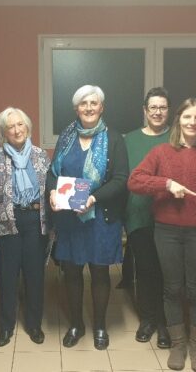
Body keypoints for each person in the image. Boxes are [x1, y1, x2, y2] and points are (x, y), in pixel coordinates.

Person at [128, 98, 196, 372]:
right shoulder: (162, 152)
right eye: (187, 117)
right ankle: (178, 344)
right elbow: (135, 180)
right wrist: (166, 183)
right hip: (166, 232)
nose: (192, 122)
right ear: (179, 121)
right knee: (172, 289)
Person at [47, 85, 129, 351]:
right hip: (69, 219)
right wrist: (51, 192)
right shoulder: (66, 137)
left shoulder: (114, 138)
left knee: (99, 273)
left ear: (101, 107)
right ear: (76, 109)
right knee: (71, 272)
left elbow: (120, 180)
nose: (89, 108)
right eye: (84, 104)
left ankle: (100, 326)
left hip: (100, 218)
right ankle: (76, 324)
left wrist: (94, 198)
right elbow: (53, 172)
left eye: (94, 103)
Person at [0, 107, 50, 347]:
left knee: (35, 277)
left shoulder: (40, 156)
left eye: (21, 125)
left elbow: (51, 191)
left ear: (27, 127)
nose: (17, 130)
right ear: (4, 132)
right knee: (6, 278)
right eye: (11, 127)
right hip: (5, 226)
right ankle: (6, 326)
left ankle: (34, 325)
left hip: (35, 223)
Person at [123, 87, 172, 349]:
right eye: (152, 107)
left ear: (169, 110)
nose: (157, 112)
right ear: (145, 110)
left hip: (171, 218)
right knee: (144, 271)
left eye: (162, 107)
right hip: (138, 215)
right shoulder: (129, 140)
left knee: (167, 272)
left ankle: (165, 323)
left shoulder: (177, 139)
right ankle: (148, 319)